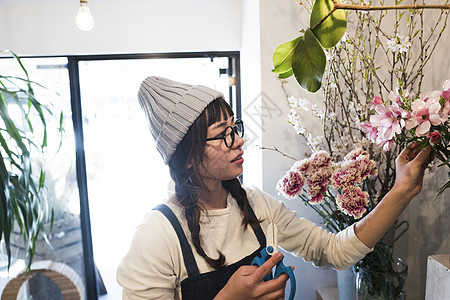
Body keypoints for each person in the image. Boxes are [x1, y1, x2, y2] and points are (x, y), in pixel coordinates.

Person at [116, 76, 431, 300]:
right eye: (223, 134)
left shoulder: (256, 206)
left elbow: (334, 251)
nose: (239, 140)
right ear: (186, 158)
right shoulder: (156, 237)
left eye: (235, 128)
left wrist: (402, 189)